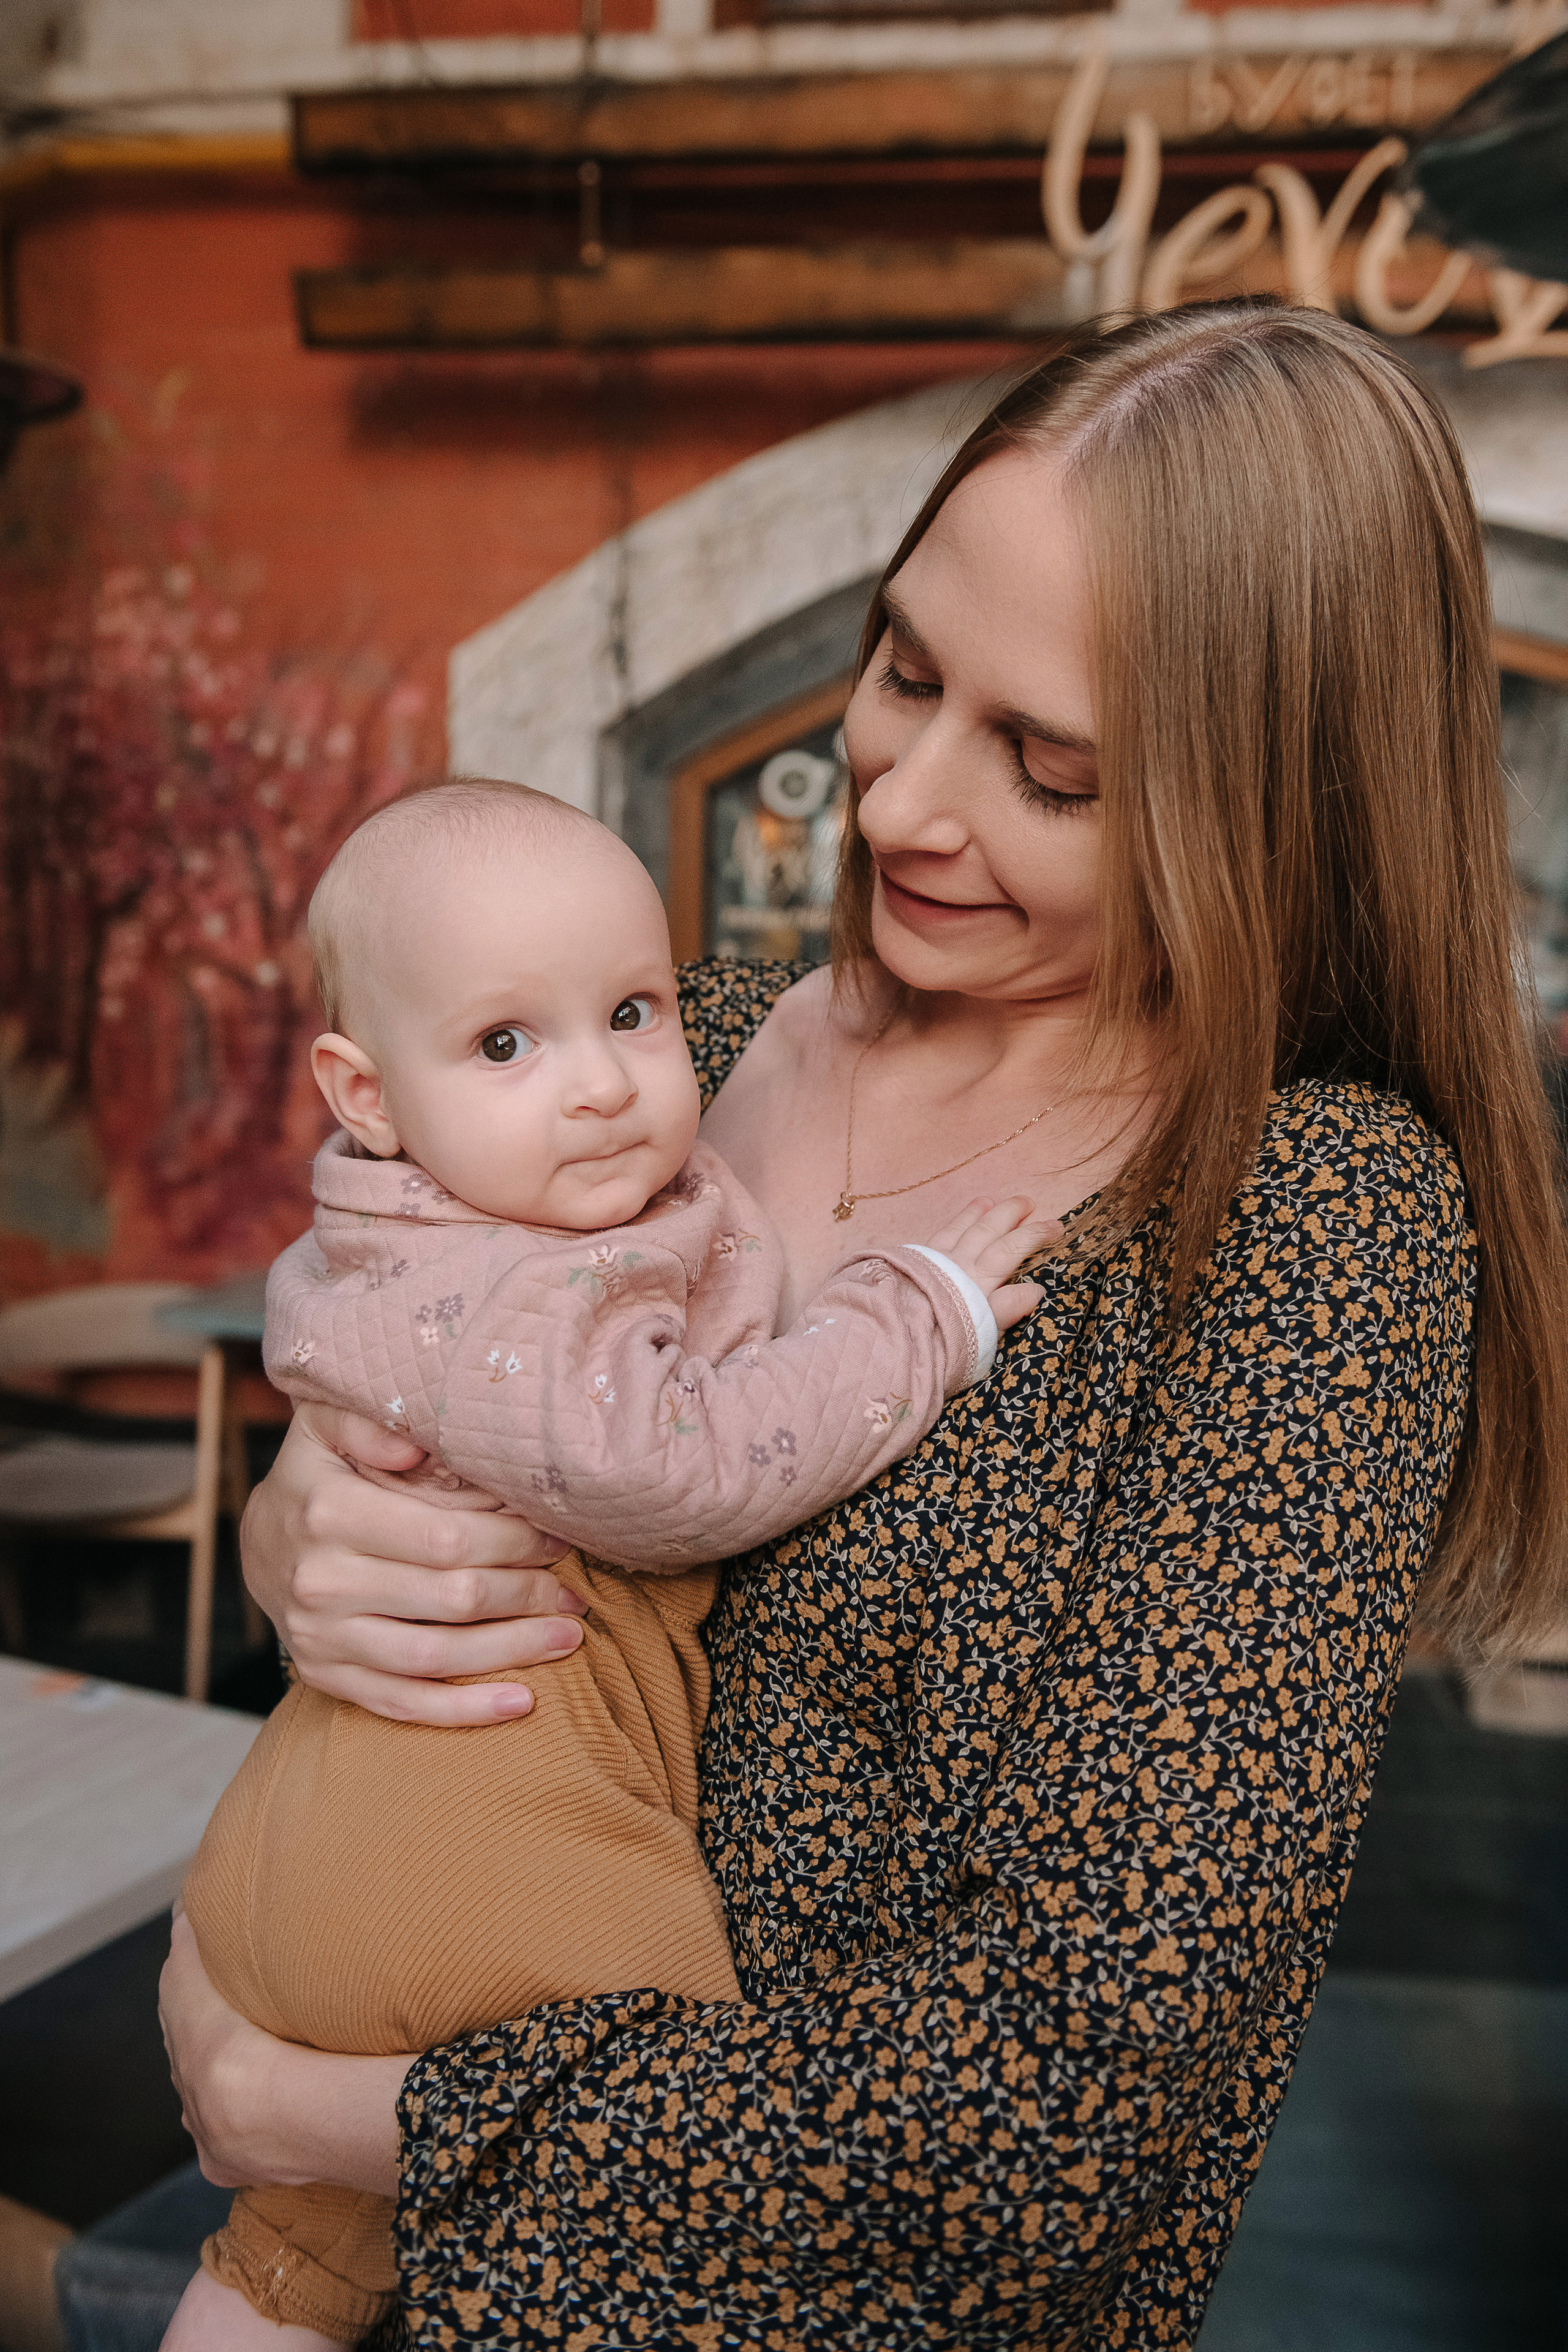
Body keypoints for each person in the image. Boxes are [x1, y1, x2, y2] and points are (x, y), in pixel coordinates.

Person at [159, 301, 1568, 2350]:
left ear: (1266, 809)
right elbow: (426, 1377)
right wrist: (317, 1532)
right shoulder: (678, 1055)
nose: (900, 807)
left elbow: (1068, 2104)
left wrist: (357, 2115)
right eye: (905, 670)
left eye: (1048, 769)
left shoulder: (1316, 1224)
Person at [170, 782, 1046, 2348]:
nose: (596, 1087)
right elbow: (674, 1466)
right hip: (488, 1834)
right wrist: (913, 1318)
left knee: (293, 2254)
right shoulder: (522, 1289)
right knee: (682, 2138)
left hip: (300, 1839)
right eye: (505, 1045)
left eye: (632, 1011)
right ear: (362, 1095)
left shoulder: (414, 1231)